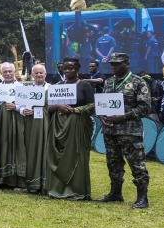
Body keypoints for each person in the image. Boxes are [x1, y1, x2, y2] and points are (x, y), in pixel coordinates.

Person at [97, 52, 152, 208]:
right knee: (113, 163)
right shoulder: (108, 82)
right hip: (110, 131)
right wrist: (102, 117)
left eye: (117, 63)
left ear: (127, 64)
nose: (113, 66)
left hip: (130, 131)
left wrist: (123, 117)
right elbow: (102, 105)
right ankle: (116, 193)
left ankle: (142, 197)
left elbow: (145, 107)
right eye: (112, 64)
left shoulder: (138, 82)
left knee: (137, 164)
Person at [44, 57, 96, 200]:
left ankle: (76, 190)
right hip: (58, 126)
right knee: (57, 156)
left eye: (70, 68)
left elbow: (92, 106)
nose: (66, 71)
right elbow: (47, 108)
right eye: (65, 68)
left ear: (77, 70)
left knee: (76, 155)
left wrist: (75, 110)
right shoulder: (58, 85)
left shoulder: (84, 85)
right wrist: (58, 106)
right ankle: (57, 189)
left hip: (77, 126)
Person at [0, 62, 27, 190]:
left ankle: (18, 181)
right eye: (5, 72)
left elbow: (27, 105)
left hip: (18, 120)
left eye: (10, 71)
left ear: (15, 72)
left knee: (19, 146)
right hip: (1, 120)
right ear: (1, 73)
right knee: (3, 146)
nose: (7, 74)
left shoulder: (21, 86)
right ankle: (2, 180)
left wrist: (16, 107)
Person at [22, 64, 49, 194]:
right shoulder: (26, 90)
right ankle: (32, 183)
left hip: (46, 125)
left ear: (45, 74)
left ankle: (45, 184)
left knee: (45, 151)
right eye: (36, 73)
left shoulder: (51, 88)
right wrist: (23, 110)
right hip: (30, 124)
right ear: (32, 75)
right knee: (31, 150)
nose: (39, 75)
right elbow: (19, 106)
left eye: (41, 73)